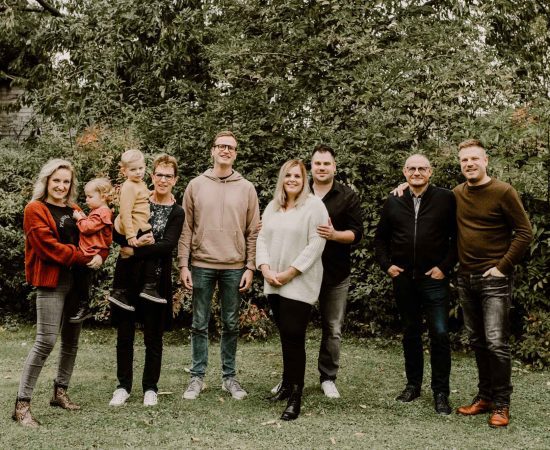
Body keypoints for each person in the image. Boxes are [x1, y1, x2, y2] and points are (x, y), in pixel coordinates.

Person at [14, 159, 105, 428]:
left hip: (78, 283)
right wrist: (83, 256)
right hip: (52, 282)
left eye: (66, 182)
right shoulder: (35, 209)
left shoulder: (74, 209)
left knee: (71, 341)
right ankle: (22, 405)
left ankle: (60, 392)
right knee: (45, 341)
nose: (61, 186)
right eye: (56, 181)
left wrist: (100, 254)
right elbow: (47, 247)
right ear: (46, 181)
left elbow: (96, 236)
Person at [453, 139, 532, 428]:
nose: (469, 164)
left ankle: (501, 404)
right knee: (476, 341)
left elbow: (524, 233)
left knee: (496, 342)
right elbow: (430, 202)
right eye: (464, 160)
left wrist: (502, 267)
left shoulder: (503, 191)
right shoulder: (457, 193)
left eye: (474, 158)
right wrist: (403, 190)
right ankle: (484, 397)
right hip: (465, 278)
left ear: (486, 161)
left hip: (495, 280)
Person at [178, 130, 260, 401]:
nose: (226, 151)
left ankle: (229, 377)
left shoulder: (246, 188)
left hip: (235, 266)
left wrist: (250, 266)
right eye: (221, 146)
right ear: (212, 150)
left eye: (231, 148)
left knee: (231, 323)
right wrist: (183, 264)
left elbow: (253, 231)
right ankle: (197, 378)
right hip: (201, 263)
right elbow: (186, 228)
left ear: (235, 154)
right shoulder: (195, 185)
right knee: (199, 323)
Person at [374, 154, 457, 415]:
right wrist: (387, 265)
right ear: (404, 172)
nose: (417, 172)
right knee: (411, 333)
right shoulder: (394, 200)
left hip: (433, 279)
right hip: (404, 280)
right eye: (412, 168)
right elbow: (380, 239)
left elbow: (458, 238)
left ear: (430, 172)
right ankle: (413, 385)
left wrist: (444, 268)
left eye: (422, 168)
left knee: (440, 334)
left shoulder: (446, 198)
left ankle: (441, 392)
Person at [108, 154, 184, 408]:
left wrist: (135, 250)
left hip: (155, 282)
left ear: (175, 180)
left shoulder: (177, 211)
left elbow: (167, 246)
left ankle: (150, 387)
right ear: (152, 176)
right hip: (128, 277)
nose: (163, 179)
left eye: (168, 175)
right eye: (159, 174)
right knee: (125, 334)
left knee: (153, 337)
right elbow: (116, 230)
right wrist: (129, 243)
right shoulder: (138, 197)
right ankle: (123, 386)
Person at [257, 159, 329, 421]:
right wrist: (265, 268)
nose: (292, 180)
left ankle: (296, 395)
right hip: (273, 280)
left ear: (304, 179)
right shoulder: (273, 206)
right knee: (285, 335)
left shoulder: (314, 206)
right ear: (282, 178)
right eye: (288, 175)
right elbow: (261, 238)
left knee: (294, 335)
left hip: (299, 281)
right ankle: (287, 385)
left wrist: (290, 273)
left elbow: (315, 245)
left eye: (297, 176)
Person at [310, 144, 363, 399]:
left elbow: (357, 234)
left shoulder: (348, 196)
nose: (321, 168)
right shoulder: (298, 191)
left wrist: (333, 235)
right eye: (317, 163)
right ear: (311, 166)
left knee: (333, 328)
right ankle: (290, 377)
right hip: (301, 272)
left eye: (326, 164)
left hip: (335, 273)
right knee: (293, 327)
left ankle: (328, 377)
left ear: (334, 167)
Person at [109, 149, 163, 311]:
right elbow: (125, 211)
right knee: (149, 249)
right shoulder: (128, 187)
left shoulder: (139, 184)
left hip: (138, 225)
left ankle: (123, 290)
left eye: (140, 168)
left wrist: (157, 193)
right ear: (124, 171)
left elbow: (145, 194)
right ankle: (146, 286)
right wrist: (131, 235)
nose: (138, 172)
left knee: (129, 255)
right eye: (133, 169)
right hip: (130, 227)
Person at [70, 177, 114, 323]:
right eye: (86, 196)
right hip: (90, 250)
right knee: (80, 278)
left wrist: (79, 218)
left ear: (103, 196)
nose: (87, 200)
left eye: (90, 196)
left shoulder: (102, 212)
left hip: (90, 251)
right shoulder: (98, 211)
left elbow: (87, 228)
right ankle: (81, 305)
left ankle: (84, 306)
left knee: (80, 278)